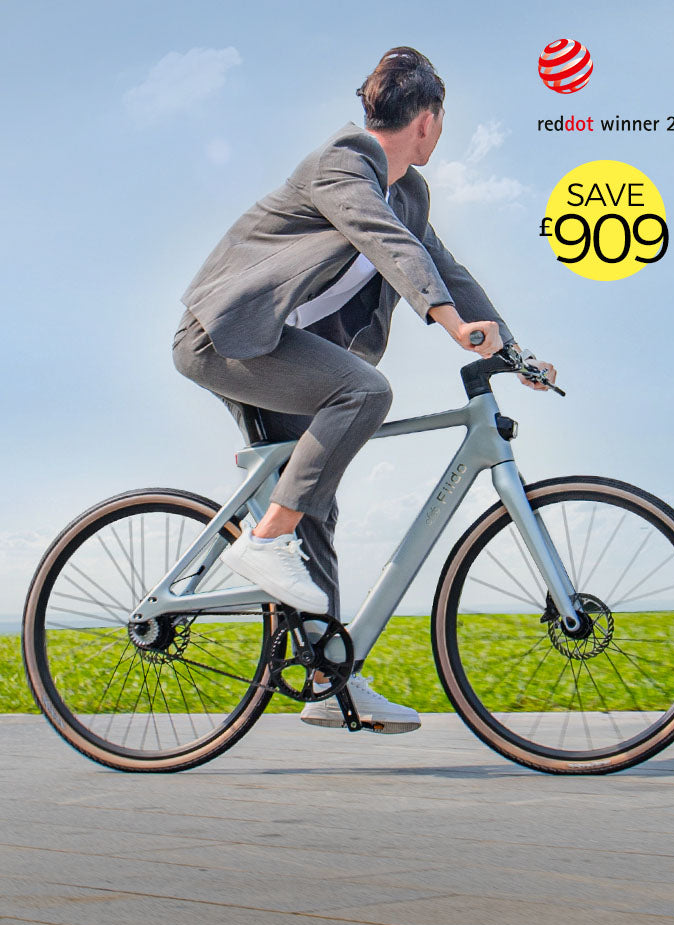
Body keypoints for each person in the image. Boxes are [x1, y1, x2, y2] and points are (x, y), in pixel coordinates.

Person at [172, 46, 556, 734]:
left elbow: (444, 264)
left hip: (281, 355)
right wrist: (447, 324)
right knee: (363, 394)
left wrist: (516, 351)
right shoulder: (343, 162)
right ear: (428, 120)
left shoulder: (409, 191)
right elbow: (387, 244)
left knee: (314, 502)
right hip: (225, 339)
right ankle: (262, 543)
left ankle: (326, 678)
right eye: (443, 120)